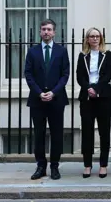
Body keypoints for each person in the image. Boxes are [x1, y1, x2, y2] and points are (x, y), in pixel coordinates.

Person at [24, 19, 70, 180]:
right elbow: (28, 74)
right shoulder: (32, 51)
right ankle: (40, 166)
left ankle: (55, 166)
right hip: (37, 100)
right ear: (40, 32)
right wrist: (39, 93)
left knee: (57, 134)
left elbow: (65, 75)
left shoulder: (62, 51)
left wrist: (54, 92)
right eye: (43, 29)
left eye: (49, 29)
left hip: (56, 100)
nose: (46, 32)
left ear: (54, 32)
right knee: (39, 134)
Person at [76, 27, 111, 178]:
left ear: (101, 39)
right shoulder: (82, 56)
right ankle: (87, 165)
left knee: (104, 132)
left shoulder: (107, 55)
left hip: (103, 97)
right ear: (87, 39)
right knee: (87, 132)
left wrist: (97, 89)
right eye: (92, 36)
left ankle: (103, 165)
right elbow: (79, 76)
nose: (95, 39)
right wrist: (89, 89)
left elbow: (107, 75)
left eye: (97, 36)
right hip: (86, 98)